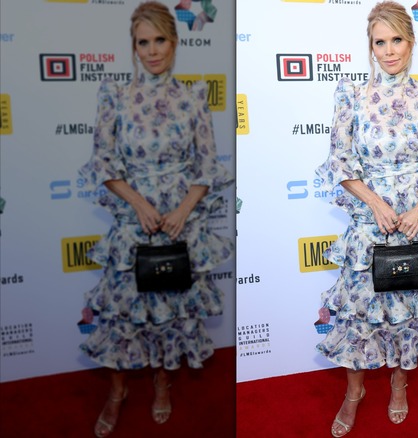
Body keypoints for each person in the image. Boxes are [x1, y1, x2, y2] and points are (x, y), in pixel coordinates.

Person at [313, 1, 418, 436]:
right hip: (371, 220)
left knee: (408, 307)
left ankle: (399, 383)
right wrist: (376, 205)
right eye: (379, 42)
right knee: (360, 312)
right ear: (370, 47)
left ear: (412, 40)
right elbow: (340, 163)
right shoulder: (352, 95)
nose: (388, 50)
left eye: (396, 39)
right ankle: (354, 391)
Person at [77, 2, 234, 436]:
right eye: (142, 42)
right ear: (133, 47)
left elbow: (207, 166)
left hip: (179, 221)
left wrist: (182, 211)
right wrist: (140, 206)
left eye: (159, 40)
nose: (152, 50)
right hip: (134, 220)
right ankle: (118, 389)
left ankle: (162, 383)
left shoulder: (192, 97)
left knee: (169, 308)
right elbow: (103, 162)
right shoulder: (115, 95)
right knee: (122, 312)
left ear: (175, 41)